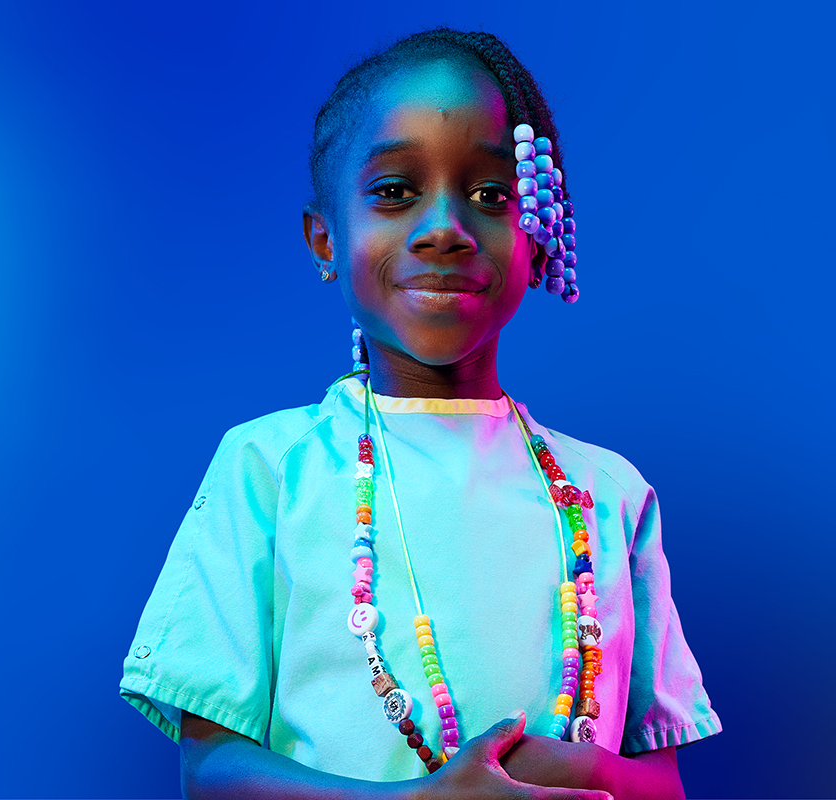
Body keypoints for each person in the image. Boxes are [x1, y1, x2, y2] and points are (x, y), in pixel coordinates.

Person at [121, 28, 721, 800]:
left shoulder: (609, 493)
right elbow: (211, 774)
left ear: (538, 238)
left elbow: (662, 788)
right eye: (395, 191)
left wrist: (581, 771)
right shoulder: (270, 468)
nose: (444, 227)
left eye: (492, 195)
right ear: (323, 239)